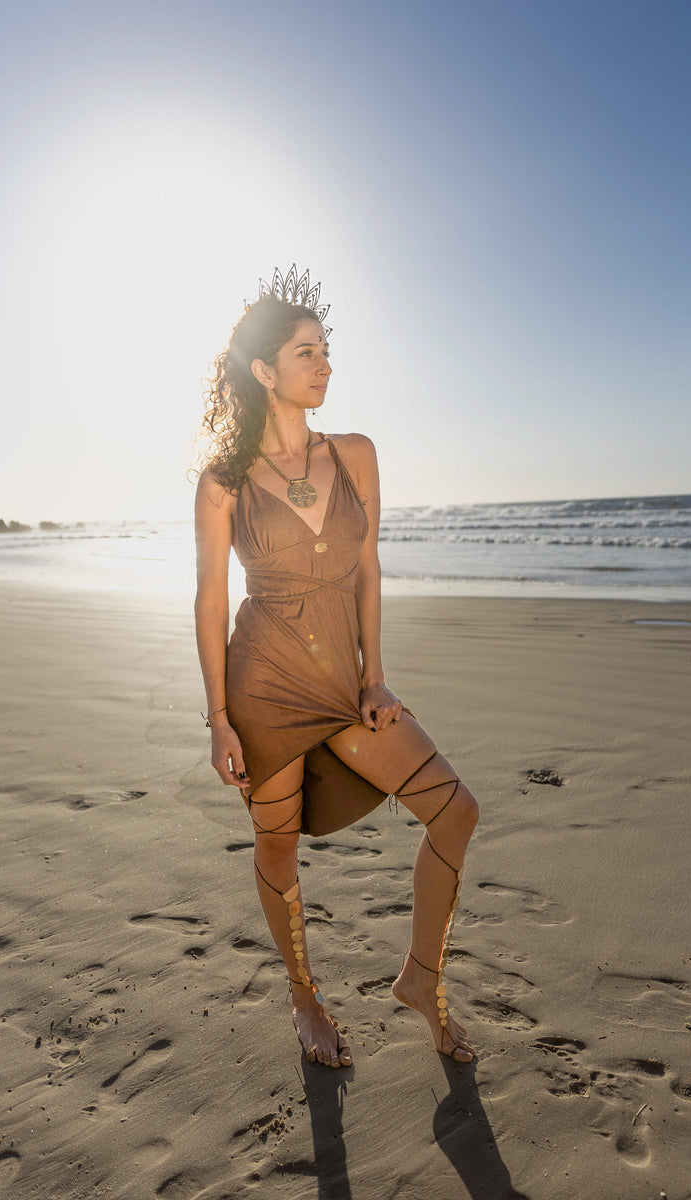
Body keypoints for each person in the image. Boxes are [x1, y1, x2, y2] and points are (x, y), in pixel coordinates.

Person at [194, 267, 479, 1068]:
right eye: (306, 352)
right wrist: (218, 718)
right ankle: (304, 996)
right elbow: (212, 604)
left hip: (344, 683)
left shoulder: (355, 453)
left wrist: (374, 676)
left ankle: (421, 979)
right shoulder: (224, 482)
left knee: (456, 811)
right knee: (277, 849)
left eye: (326, 351)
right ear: (264, 371)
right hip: (263, 683)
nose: (324, 365)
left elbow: (369, 571)